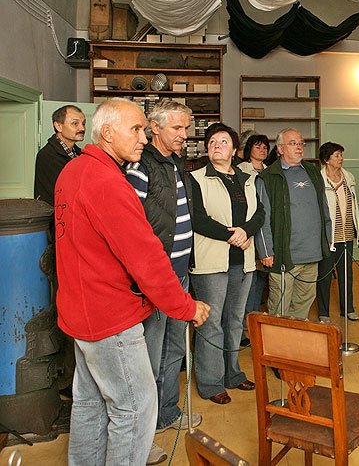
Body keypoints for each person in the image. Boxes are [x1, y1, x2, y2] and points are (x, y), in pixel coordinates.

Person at [55, 97, 210, 466]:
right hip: (109, 317)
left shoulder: (73, 171)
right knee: (137, 408)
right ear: (107, 133)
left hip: (81, 311)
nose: (143, 137)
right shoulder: (108, 181)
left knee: (91, 404)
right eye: (136, 129)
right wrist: (186, 306)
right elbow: (145, 257)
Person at [125, 100, 199, 464]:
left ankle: (168, 410)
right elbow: (132, 225)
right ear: (155, 128)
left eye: (186, 128)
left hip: (180, 273)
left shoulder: (174, 162)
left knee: (175, 350)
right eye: (177, 129)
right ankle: (147, 429)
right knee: (150, 356)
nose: (184, 135)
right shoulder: (141, 167)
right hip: (156, 278)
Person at [189, 123, 264, 405]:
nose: (216, 145)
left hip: (242, 261)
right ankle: (211, 382)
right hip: (211, 262)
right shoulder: (195, 178)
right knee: (211, 324)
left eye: (223, 141)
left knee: (234, 321)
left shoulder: (248, 178)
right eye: (211, 142)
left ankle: (233, 374)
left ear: (234, 149)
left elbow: (260, 213)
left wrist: (247, 231)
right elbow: (198, 218)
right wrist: (233, 234)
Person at [256, 128, 332, 319]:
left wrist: (328, 238)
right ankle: (276, 348)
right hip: (284, 255)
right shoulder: (268, 177)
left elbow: (323, 208)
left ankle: (295, 345)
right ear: (280, 148)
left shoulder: (313, 173)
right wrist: (266, 251)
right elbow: (262, 217)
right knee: (279, 309)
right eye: (293, 143)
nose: (299, 148)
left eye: (301, 143)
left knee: (303, 305)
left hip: (312, 254)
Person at [316, 142, 359, 322]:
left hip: (347, 234)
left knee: (346, 275)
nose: (340, 158)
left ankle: (348, 308)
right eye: (336, 155)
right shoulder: (319, 179)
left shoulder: (348, 177)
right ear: (326, 160)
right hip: (329, 236)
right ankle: (324, 312)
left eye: (341, 155)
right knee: (324, 276)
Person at [237, 132, 271, 346]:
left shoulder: (270, 171)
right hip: (249, 228)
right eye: (258, 146)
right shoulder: (241, 170)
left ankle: (253, 322)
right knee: (246, 282)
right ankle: (240, 327)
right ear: (249, 149)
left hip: (266, 228)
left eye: (265, 147)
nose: (262, 150)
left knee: (260, 280)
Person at [34, 105, 85, 205]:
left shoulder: (79, 153)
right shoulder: (47, 155)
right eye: (75, 123)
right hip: (57, 216)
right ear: (58, 126)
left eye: (83, 123)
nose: (82, 128)